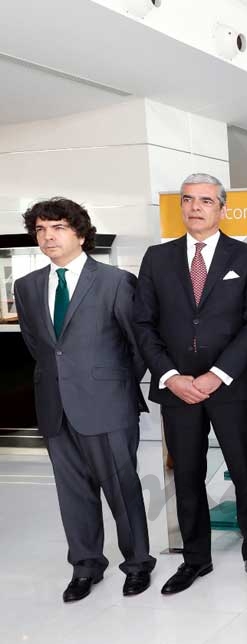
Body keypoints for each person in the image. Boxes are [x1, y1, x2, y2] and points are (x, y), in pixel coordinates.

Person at [133, 173, 247, 595]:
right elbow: (143, 323)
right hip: (178, 390)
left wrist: (217, 374)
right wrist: (172, 377)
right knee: (187, 475)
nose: (196, 207)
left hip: (232, 387)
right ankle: (196, 559)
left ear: (222, 208)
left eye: (206, 201)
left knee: (246, 472)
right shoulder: (156, 258)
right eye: (189, 200)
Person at [14, 198, 155, 602]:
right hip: (54, 406)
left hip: (108, 404)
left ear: (80, 232)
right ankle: (85, 566)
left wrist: (116, 387)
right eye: (40, 229)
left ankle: (138, 563)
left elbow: (138, 345)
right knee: (72, 493)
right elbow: (37, 345)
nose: (48, 236)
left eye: (56, 227)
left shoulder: (114, 281)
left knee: (122, 490)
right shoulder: (26, 286)